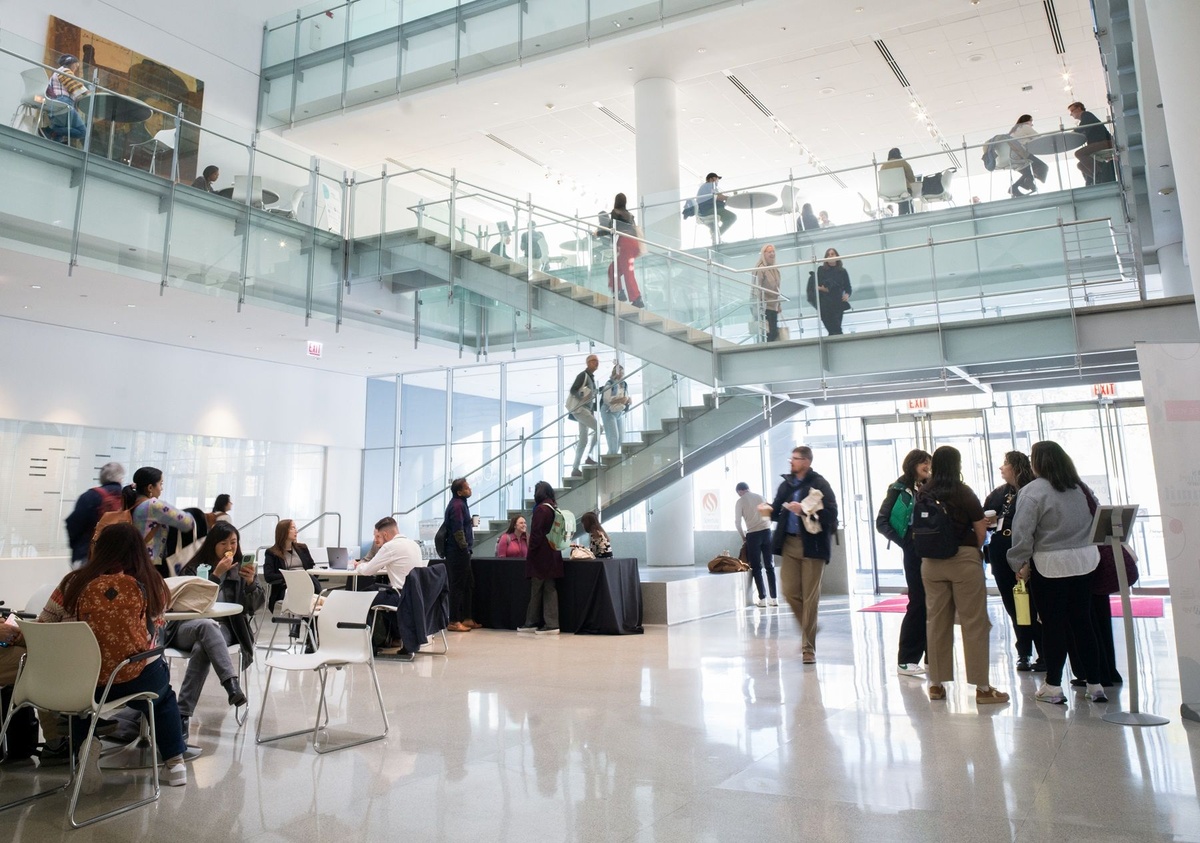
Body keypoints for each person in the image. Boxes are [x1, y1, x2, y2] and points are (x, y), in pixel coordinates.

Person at [38, 523, 191, 787]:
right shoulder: (153, 584)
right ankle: (174, 763)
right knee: (163, 697)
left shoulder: (73, 583)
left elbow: (43, 626)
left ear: (101, 549)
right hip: (135, 677)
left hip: (84, 683)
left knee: (82, 706)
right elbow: (155, 627)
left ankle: (86, 750)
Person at [1007, 440, 1108, 705]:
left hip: (1051, 565)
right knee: (1083, 622)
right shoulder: (1079, 487)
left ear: (1038, 462)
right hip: (1085, 561)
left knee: (1053, 625)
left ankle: (1053, 685)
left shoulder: (1032, 492)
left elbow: (1022, 533)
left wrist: (1018, 563)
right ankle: (1095, 683)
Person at [920, 446, 1009, 705]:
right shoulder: (962, 491)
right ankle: (982, 687)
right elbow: (980, 526)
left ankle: (936, 684)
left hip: (930, 563)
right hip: (962, 560)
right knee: (974, 622)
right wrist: (974, 550)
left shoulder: (925, 491)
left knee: (936, 621)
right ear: (957, 464)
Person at [175, 522, 261, 735]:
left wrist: (250, 584)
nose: (229, 547)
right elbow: (192, 603)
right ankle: (231, 685)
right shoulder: (194, 569)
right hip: (186, 627)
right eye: (223, 543)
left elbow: (253, 608)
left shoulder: (241, 570)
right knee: (206, 624)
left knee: (203, 643)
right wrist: (215, 575)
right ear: (213, 545)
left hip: (223, 628)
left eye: (233, 542)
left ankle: (182, 716)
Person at [760, 446, 839, 664]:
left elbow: (832, 513)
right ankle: (809, 626)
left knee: (810, 598)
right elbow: (777, 512)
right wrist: (767, 509)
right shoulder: (786, 484)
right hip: (789, 544)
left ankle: (808, 648)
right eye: (791, 458)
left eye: (795, 459)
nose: (791, 462)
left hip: (813, 546)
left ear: (806, 461)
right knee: (789, 592)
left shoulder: (820, 484)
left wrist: (804, 509)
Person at [983, 451, 1044, 672]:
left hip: (1027, 554)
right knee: (1013, 604)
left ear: (1016, 467)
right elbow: (985, 519)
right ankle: (1023, 652)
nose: (1001, 468)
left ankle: (1043, 652)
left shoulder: (1033, 490)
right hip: (1000, 552)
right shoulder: (999, 493)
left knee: (1033, 604)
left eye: (1005, 464)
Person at [874, 448, 932, 677]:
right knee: (918, 601)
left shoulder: (932, 487)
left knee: (934, 602)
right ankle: (907, 658)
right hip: (914, 551)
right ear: (912, 465)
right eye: (924, 464)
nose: (928, 468)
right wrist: (905, 541)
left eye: (930, 464)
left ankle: (933, 654)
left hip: (934, 550)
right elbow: (882, 521)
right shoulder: (899, 489)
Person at [353, 516, 427, 645]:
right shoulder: (413, 544)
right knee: (374, 590)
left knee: (362, 597)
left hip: (400, 596)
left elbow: (367, 571)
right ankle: (395, 637)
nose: (375, 540)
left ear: (385, 535)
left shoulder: (390, 547)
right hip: (415, 596)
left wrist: (358, 565)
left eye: (377, 536)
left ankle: (369, 645)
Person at [129, 466, 196, 577]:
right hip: (150, 565)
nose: (162, 488)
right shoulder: (153, 505)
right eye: (161, 484)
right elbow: (187, 522)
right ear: (150, 488)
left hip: (135, 561)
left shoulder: (132, 503)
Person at [518, 481, 563, 635]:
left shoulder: (541, 510)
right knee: (550, 588)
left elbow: (536, 534)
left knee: (536, 589)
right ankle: (552, 623)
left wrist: (531, 552)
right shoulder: (553, 508)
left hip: (541, 556)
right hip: (553, 553)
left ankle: (531, 622)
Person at [64, 461, 125, 567]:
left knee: (87, 583)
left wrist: (77, 547)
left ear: (102, 477)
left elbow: (73, 524)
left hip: (88, 555)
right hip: (119, 558)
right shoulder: (128, 497)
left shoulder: (89, 496)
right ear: (121, 478)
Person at [442, 478, 477, 632]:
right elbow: (457, 530)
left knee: (468, 584)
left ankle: (467, 617)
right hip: (457, 552)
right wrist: (464, 548)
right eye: (467, 487)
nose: (470, 489)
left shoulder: (461, 504)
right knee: (457, 586)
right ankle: (454, 620)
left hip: (463, 551)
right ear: (459, 492)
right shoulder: (457, 506)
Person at [734, 481, 776, 607]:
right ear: (748, 488)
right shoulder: (760, 497)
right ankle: (774, 598)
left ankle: (762, 599)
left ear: (740, 491)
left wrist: (743, 537)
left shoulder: (740, 501)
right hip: (767, 532)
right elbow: (769, 515)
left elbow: (737, 522)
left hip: (753, 535)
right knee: (770, 566)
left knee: (757, 567)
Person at [262, 519, 319, 611]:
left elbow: (312, 568)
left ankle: (303, 621)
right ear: (283, 531)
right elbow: (269, 576)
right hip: (285, 588)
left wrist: (302, 577)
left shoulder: (302, 548)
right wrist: (292, 577)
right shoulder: (272, 553)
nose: (296, 531)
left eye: (295, 528)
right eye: (292, 528)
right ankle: (309, 622)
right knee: (308, 600)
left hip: (306, 585)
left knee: (307, 590)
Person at [605, 193, 645, 308]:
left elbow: (611, 228)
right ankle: (619, 292)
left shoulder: (615, 212)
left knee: (628, 272)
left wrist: (599, 233)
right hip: (633, 243)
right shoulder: (630, 215)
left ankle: (636, 298)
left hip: (625, 243)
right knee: (613, 269)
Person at [567, 354, 599, 477]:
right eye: (594, 361)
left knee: (583, 440)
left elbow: (592, 396)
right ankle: (588, 456)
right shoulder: (583, 375)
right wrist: (581, 397)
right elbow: (573, 390)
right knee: (599, 429)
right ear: (588, 363)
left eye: (597, 361)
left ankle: (575, 468)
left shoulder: (591, 378)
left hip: (586, 410)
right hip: (581, 410)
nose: (596, 363)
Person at [44, 54, 88, 144]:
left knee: (59, 134)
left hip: (55, 105)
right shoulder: (65, 71)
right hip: (64, 103)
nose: (76, 69)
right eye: (76, 65)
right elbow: (74, 85)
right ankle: (50, 130)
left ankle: (53, 137)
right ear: (71, 63)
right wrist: (88, 93)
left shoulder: (55, 74)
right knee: (83, 132)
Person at [1068, 101, 1114, 185]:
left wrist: (1072, 133)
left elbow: (1081, 129)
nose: (1071, 114)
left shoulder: (1086, 115)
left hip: (1106, 143)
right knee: (1080, 165)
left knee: (1079, 153)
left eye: (1072, 111)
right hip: (1101, 143)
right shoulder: (1086, 119)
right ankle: (1097, 178)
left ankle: (1098, 174)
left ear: (1079, 108)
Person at [1008, 115, 1048, 197]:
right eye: (1031, 122)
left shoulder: (1013, 130)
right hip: (1020, 153)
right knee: (1043, 167)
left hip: (1012, 157)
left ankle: (1015, 188)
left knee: (1029, 173)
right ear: (1027, 121)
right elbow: (1038, 138)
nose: (1032, 124)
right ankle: (1028, 183)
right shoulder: (1024, 126)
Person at [816, 248, 852, 336]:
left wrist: (847, 295)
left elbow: (848, 287)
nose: (831, 256)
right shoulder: (821, 270)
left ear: (837, 256)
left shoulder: (842, 271)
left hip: (837, 303)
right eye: (828, 254)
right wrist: (824, 289)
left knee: (836, 328)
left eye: (832, 254)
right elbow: (817, 286)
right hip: (825, 304)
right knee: (832, 328)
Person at [599, 362, 631, 455]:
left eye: (622, 372)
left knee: (620, 438)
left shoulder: (624, 384)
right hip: (608, 411)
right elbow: (607, 400)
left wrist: (628, 400)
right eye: (619, 372)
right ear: (615, 373)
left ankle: (611, 459)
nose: (621, 374)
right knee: (613, 438)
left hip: (619, 412)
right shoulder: (610, 384)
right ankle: (611, 462)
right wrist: (621, 400)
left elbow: (624, 397)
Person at [752, 244, 782, 342]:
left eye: (773, 251)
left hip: (773, 306)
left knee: (774, 332)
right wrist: (758, 306)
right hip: (764, 307)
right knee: (769, 333)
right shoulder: (760, 269)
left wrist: (779, 304)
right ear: (764, 254)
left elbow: (777, 288)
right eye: (769, 252)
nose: (772, 254)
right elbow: (756, 288)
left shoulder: (775, 268)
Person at [879, 148, 916, 214]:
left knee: (902, 198)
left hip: (888, 192)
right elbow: (911, 179)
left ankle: (902, 215)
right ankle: (910, 214)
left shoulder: (883, 166)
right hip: (903, 191)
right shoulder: (903, 162)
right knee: (907, 197)